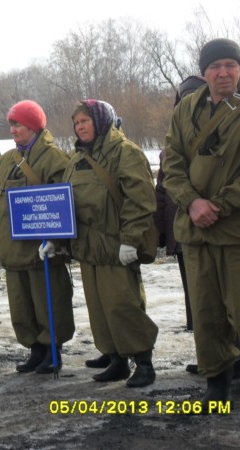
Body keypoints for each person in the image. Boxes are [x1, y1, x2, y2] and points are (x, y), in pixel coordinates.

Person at [162, 38, 240, 410]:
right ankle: (216, 378)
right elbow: (172, 165)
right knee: (206, 312)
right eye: (215, 66)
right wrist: (193, 202)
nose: (223, 72)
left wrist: (218, 205)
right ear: (204, 72)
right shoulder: (186, 111)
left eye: (231, 65)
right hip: (197, 232)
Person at [62, 99, 158, 388]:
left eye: (85, 121)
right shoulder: (77, 158)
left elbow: (140, 200)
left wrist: (130, 240)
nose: (80, 127)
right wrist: (60, 238)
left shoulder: (125, 152)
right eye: (76, 123)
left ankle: (144, 361)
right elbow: (65, 201)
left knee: (123, 304)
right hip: (89, 247)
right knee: (100, 307)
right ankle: (116, 358)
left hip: (117, 246)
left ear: (102, 121)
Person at [0, 100, 75, 374]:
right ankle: (35, 350)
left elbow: (65, 203)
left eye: (18, 124)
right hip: (13, 252)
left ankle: (52, 350)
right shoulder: (2, 164)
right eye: (11, 124)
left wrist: (57, 241)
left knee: (50, 304)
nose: (12, 130)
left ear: (33, 126)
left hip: (42, 251)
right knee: (22, 308)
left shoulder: (55, 159)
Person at [156, 76, 207, 335]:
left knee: (217, 297)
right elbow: (162, 192)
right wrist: (161, 233)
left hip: (211, 229)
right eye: (183, 98)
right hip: (181, 233)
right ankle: (204, 354)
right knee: (193, 295)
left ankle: (232, 359)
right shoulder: (170, 146)